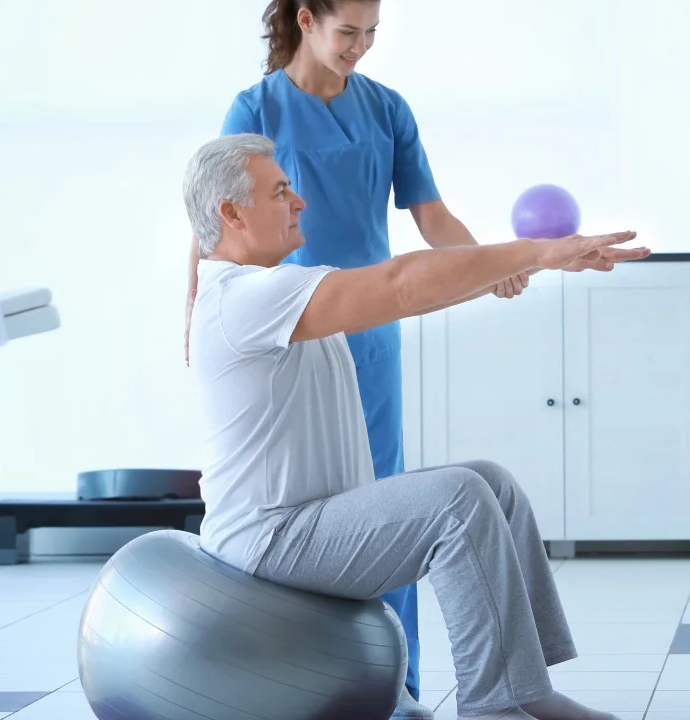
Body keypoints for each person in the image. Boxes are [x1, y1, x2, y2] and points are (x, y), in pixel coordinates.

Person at [183, 2, 622, 715]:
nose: (296, 200)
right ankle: (488, 704)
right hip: (310, 352)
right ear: (306, 20)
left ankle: (518, 690)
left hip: (345, 316)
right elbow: (388, 279)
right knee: (451, 504)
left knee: (485, 484)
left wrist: (486, 264)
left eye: (371, 32)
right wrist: (528, 252)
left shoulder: (384, 111)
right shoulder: (250, 286)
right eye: (281, 190)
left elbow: (423, 233)